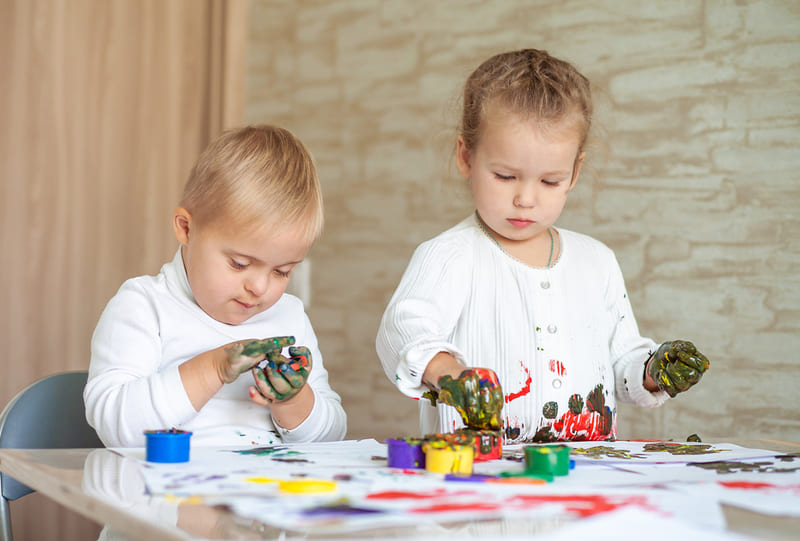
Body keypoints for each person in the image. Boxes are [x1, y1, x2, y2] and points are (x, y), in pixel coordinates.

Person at [376, 49, 709, 443]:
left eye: (550, 181)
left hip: (585, 477)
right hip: (481, 476)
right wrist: (452, 375)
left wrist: (655, 370)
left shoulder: (597, 261)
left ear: (575, 172)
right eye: (505, 176)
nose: (526, 199)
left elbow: (623, 365)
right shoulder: (449, 255)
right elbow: (404, 332)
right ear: (466, 156)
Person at [85, 124, 346, 447]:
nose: (260, 287)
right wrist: (213, 369)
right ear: (186, 228)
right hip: (165, 492)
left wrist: (293, 400)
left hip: (268, 491)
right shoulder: (144, 307)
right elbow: (115, 427)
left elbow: (333, 437)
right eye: (239, 264)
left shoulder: (289, 317)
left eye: (282, 271)